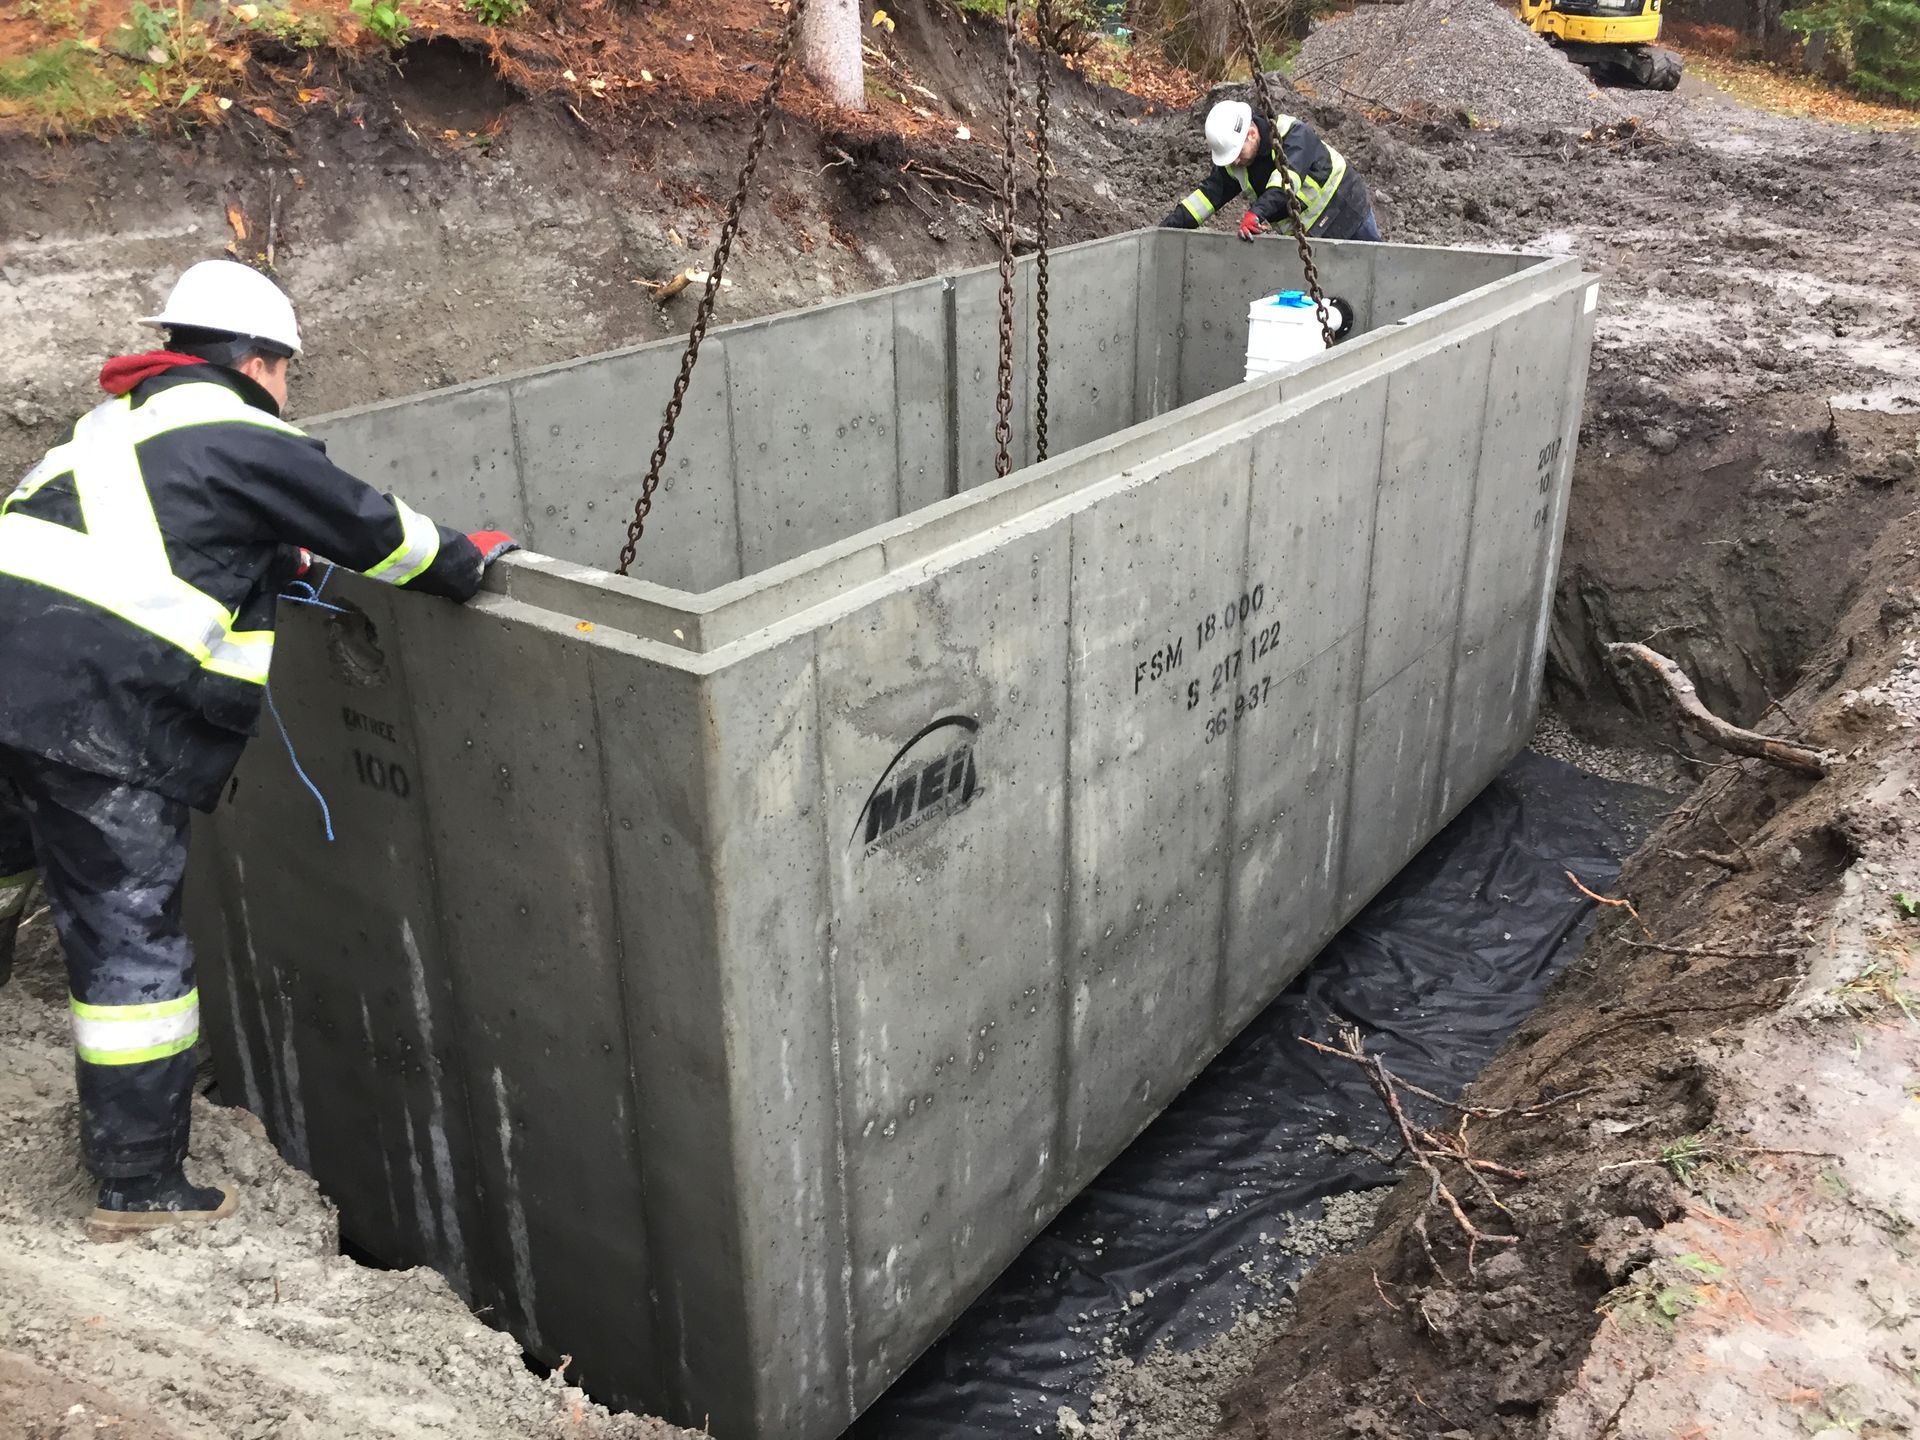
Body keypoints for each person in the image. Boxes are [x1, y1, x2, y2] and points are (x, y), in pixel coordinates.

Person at [0, 260, 518, 1241]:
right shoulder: (244, 434)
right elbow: (380, 532)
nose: (289, 390)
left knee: (9, 849)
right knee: (129, 938)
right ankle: (139, 1184)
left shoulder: (115, 430)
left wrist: (271, 552)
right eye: (288, 370)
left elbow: (161, 532)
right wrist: (466, 558)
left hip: (15, 677)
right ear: (258, 360)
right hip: (96, 711)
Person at [1162, 99, 1382, 243]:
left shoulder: (1293, 135)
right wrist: (1164, 231)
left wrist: (1256, 213)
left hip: (1346, 207)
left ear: (1251, 133)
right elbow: (1206, 198)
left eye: (1237, 153)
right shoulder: (1236, 163)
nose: (1235, 161)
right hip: (1310, 233)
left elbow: (1285, 183)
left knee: (1375, 271)